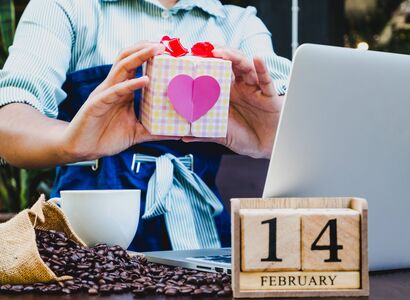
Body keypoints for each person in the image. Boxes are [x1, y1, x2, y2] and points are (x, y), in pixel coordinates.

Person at [0, 0, 291, 251]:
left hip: (205, 242)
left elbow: (292, 115)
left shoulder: (239, 24)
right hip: (85, 245)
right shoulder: (69, 7)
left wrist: (272, 136)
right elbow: (9, 118)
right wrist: (69, 141)